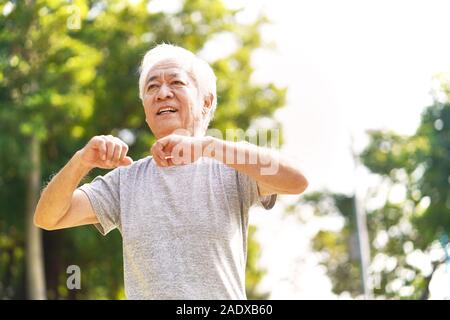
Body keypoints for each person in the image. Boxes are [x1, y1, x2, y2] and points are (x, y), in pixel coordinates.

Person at [34, 44, 308, 299]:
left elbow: (297, 180)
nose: (162, 93)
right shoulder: (125, 180)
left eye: (176, 82)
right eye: (152, 87)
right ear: (146, 111)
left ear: (206, 102)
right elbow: (48, 217)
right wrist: (81, 161)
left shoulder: (232, 168)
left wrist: (207, 146)